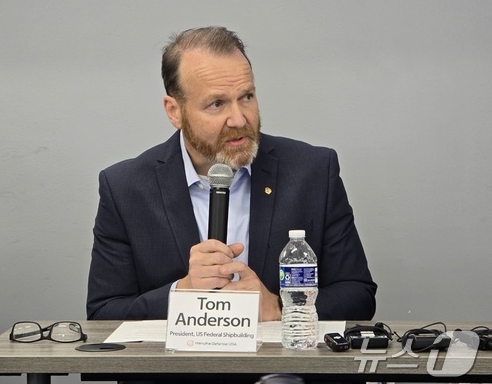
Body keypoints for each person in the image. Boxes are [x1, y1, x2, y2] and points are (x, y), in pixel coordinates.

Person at [87, 26, 376, 323]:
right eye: (217, 104)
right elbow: (103, 313)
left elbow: (358, 295)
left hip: (280, 353)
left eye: (247, 96)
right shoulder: (125, 189)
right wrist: (182, 292)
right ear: (174, 111)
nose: (239, 119)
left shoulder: (312, 171)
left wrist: (281, 308)